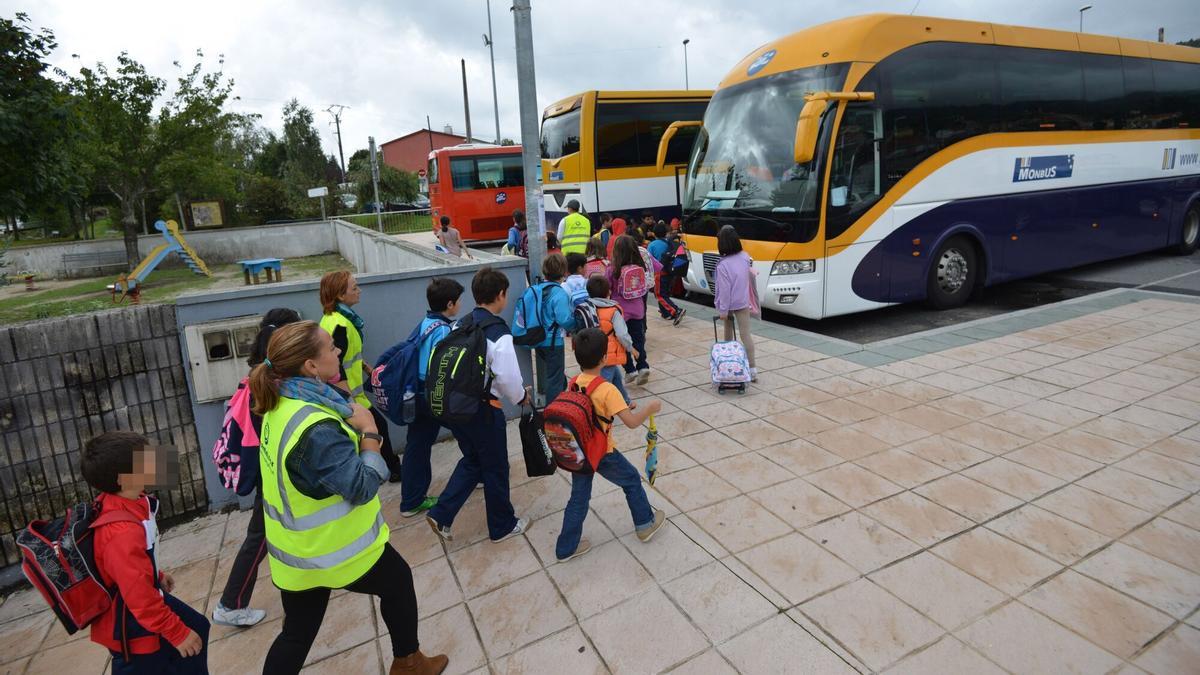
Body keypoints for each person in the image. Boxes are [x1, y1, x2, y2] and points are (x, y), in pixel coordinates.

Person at [251, 322, 448, 674]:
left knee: (295, 634)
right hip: (336, 552)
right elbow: (360, 486)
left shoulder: (282, 401)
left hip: (296, 556)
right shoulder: (316, 427)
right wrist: (369, 432)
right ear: (310, 366)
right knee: (399, 582)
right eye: (329, 347)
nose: (337, 352)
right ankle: (410, 663)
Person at [82, 431, 210, 673]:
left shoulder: (135, 501)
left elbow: (133, 566)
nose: (155, 462)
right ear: (123, 478)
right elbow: (139, 598)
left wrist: (156, 574)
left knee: (199, 628)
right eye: (145, 459)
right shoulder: (121, 533)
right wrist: (177, 632)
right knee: (163, 655)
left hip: (141, 601)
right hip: (130, 622)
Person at [212, 308, 302, 629]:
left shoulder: (257, 374)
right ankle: (231, 603)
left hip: (265, 469)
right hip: (269, 472)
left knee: (269, 531)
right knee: (259, 537)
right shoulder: (271, 385)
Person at [427, 267, 531, 543]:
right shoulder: (498, 332)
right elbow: (508, 378)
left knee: (474, 460)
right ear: (501, 295)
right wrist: (521, 397)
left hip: (457, 407)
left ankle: (441, 514)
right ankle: (502, 526)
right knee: (496, 467)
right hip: (484, 410)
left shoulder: (461, 322)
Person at [555, 328, 665, 561]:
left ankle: (565, 548)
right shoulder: (606, 389)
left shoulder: (574, 382)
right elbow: (633, 422)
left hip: (579, 452)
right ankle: (645, 524)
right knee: (632, 480)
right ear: (604, 358)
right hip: (602, 451)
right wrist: (650, 408)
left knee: (578, 498)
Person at [319, 271, 402, 482]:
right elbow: (338, 367)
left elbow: (349, 355)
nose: (359, 291)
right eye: (354, 288)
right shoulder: (341, 325)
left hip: (349, 393)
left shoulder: (334, 319)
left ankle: (391, 469)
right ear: (340, 295)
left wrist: (368, 369)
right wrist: (350, 403)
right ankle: (391, 471)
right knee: (377, 428)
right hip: (350, 395)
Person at [398, 278, 461, 518]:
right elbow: (444, 367)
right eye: (458, 301)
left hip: (415, 391)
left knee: (417, 444)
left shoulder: (426, 322)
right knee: (470, 430)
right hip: (432, 394)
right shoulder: (443, 330)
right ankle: (477, 472)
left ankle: (411, 499)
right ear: (450, 303)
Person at [515, 253, 576, 402]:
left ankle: (561, 402)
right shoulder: (559, 293)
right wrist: (577, 324)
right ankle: (553, 416)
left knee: (557, 376)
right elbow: (565, 320)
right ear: (564, 271)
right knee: (555, 380)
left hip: (538, 339)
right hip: (554, 342)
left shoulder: (537, 289)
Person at [714, 225, 757, 381]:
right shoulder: (745, 257)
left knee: (728, 335)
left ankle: (729, 365)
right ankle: (752, 370)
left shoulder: (723, 265)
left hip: (730, 304)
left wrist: (723, 311)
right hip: (743, 302)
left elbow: (725, 291)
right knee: (746, 335)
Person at [586, 274, 636, 406]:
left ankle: (625, 401)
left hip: (590, 349)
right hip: (607, 352)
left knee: (616, 375)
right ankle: (598, 407)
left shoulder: (587, 307)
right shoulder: (613, 311)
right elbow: (622, 334)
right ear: (608, 292)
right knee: (604, 382)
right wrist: (631, 348)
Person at [609, 235, 651, 386]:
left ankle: (630, 370)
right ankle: (643, 366)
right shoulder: (640, 267)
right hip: (638, 310)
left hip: (620, 313)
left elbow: (607, 288)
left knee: (623, 341)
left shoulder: (613, 269)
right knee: (638, 340)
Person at [647, 222, 684, 324]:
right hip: (671, 272)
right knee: (665, 293)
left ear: (654, 233)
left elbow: (649, 260)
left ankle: (676, 310)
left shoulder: (652, 245)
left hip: (660, 273)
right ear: (666, 232)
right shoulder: (669, 242)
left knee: (659, 295)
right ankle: (666, 313)